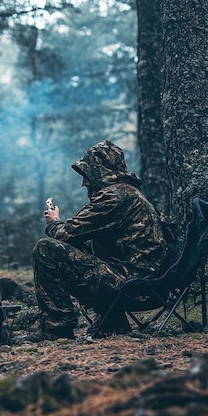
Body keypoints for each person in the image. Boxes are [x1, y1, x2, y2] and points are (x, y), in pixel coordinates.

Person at [31, 140, 168, 340]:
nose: (84, 182)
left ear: (101, 172)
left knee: (46, 249)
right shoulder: (128, 193)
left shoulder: (114, 196)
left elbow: (64, 234)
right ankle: (112, 323)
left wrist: (54, 222)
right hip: (142, 277)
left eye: (87, 175)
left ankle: (56, 329)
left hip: (133, 283)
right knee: (84, 247)